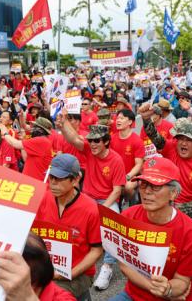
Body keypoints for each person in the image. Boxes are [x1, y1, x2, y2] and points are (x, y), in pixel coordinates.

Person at [110, 157, 192, 301]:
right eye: (143, 184)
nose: (147, 191)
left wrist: (168, 289)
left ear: (173, 193)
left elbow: (183, 281)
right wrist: (153, 287)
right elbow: (124, 265)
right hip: (134, 295)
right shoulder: (128, 216)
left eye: (156, 186)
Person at [58, 117, 125, 290]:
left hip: (106, 199)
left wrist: (102, 208)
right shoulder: (89, 150)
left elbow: (117, 190)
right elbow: (73, 138)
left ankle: (107, 267)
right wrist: (63, 123)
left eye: (97, 141)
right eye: (91, 141)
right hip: (86, 196)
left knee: (114, 222)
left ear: (106, 142)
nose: (92, 144)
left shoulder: (116, 160)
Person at [139, 105, 192, 230]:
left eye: (188, 140)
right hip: (166, 200)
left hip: (189, 205)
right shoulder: (172, 147)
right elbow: (155, 138)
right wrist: (147, 119)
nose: (183, 143)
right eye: (180, 138)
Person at [35, 154, 102, 298]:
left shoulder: (91, 209)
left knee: (50, 295)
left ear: (76, 179)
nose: (52, 183)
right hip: (47, 266)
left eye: (59, 179)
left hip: (78, 273)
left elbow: (97, 250)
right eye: (51, 177)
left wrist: (69, 274)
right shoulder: (45, 198)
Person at [0, 117, 53, 181]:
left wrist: (5, 133)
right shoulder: (42, 141)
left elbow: (15, 144)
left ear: (41, 130)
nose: (31, 129)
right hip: (31, 181)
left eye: (34, 127)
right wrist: (23, 139)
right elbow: (25, 158)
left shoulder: (41, 140)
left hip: (36, 182)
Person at [110, 109, 145, 202]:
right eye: (117, 118)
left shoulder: (137, 141)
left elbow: (139, 164)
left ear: (130, 122)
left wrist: (127, 177)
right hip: (115, 175)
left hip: (132, 176)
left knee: (128, 186)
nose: (118, 120)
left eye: (121, 118)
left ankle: (129, 201)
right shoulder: (112, 138)